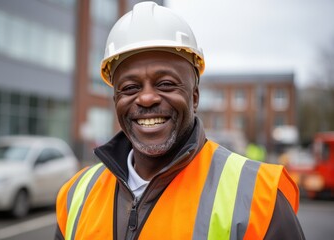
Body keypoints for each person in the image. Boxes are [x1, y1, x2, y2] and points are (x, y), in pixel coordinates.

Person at [55, 2, 305, 239]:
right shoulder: (75, 194)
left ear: (194, 97)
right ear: (116, 100)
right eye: (130, 87)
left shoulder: (259, 197)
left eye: (165, 84)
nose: (147, 98)